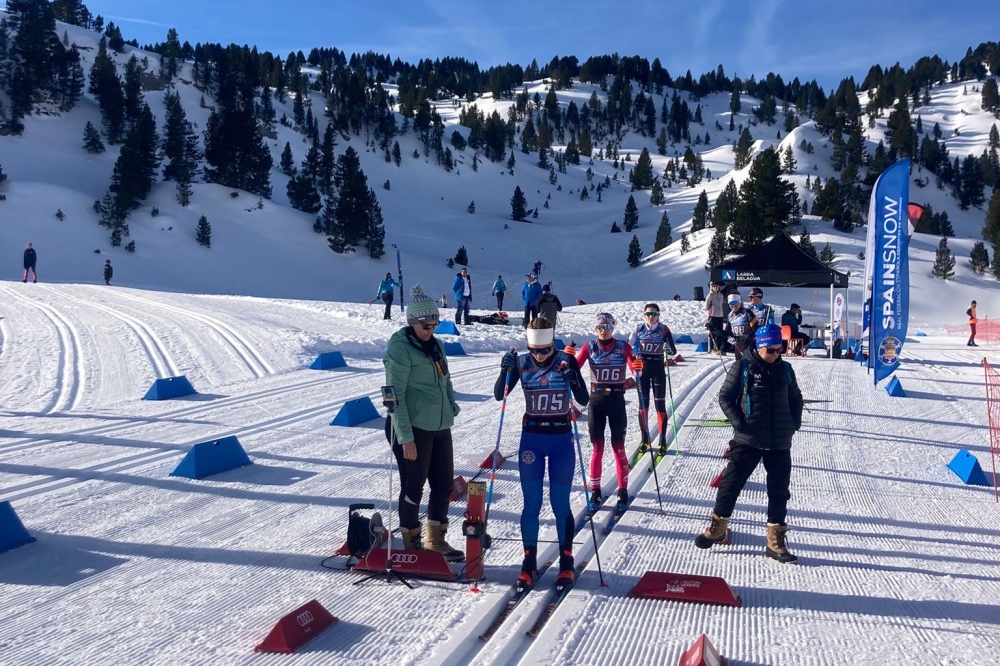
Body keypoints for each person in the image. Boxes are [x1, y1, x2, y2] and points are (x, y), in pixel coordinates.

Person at [695, 323, 804, 564]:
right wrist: (740, 424)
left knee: (779, 492)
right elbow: (725, 397)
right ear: (759, 346)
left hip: (779, 442)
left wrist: (794, 422)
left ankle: (775, 541)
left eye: (780, 349)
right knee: (730, 485)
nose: (777, 354)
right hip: (748, 440)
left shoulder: (785, 369)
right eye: (772, 350)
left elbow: (796, 398)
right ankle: (718, 527)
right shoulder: (742, 367)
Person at [496, 318, 589, 588]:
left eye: (544, 350)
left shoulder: (565, 360)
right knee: (532, 503)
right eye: (534, 350)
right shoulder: (523, 362)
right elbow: (498, 395)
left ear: (552, 344)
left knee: (560, 503)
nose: (539, 356)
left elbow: (583, 400)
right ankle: (528, 563)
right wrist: (505, 370)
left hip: (560, 440)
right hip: (532, 441)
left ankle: (566, 563)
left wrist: (574, 379)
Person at [382, 286, 463, 561]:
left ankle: (436, 541)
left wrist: (451, 405)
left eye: (435, 324)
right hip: (411, 427)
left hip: (439, 425)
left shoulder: (436, 345)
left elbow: (446, 379)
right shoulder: (399, 349)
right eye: (426, 325)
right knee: (413, 487)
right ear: (413, 323)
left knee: (443, 485)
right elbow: (394, 396)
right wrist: (405, 437)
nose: (431, 329)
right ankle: (412, 543)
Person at [575, 313, 634, 513]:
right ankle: (595, 491)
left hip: (617, 402)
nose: (604, 329)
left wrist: (637, 369)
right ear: (595, 329)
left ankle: (623, 491)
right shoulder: (588, 347)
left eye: (608, 326)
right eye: (600, 326)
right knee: (597, 449)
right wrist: (566, 359)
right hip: (597, 403)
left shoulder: (623, 346)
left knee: (619, 449)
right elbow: (573, 368)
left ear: (613, 327)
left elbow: (634, 366)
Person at [628, 303, 678, 456]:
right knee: (643, 406)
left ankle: (662, 440)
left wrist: (667, 349)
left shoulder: (664, 329)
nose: (651, 317)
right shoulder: (638, 329)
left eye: (654, 314)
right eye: (648, 314)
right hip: (642, 371)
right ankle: (645, 439)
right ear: (644, 315)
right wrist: (633, 361)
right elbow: (627, 348)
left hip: (657, 370)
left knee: (660, 406)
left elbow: (673, 350)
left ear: (658, 315)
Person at [705, 281, 726, 353]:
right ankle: (711, 347)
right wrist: (711, 310)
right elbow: (707, 306)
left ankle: (719, 347)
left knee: (720, 332)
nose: (716, 288)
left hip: (720, 315)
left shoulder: (721, 295)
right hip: (713, 315)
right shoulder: (710, 295)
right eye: (714, 287)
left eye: (717, 287)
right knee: (713, 332)